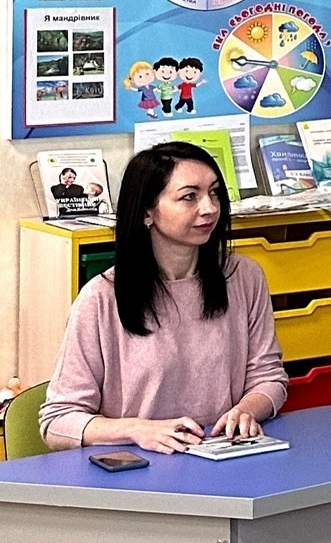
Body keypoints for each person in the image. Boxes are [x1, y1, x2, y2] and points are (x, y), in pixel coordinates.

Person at [40, 141, 287, 451]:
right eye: (189, 197)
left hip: (223, 456)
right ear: (147, 211)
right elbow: (58, 421)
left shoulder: (244, 277)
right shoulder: (100, 298)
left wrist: (247, 410)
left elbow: (269, 377)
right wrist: (136, 430)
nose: (210, 208)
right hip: (138, 466)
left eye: (214, 193)